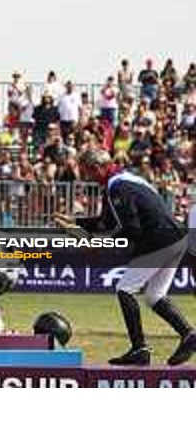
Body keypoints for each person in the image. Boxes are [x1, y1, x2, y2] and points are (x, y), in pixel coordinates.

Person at [69, 149, 196, 366]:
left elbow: (132, 230)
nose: (87, 178)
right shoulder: (127, 179)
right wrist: (77, 222)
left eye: (87, 173)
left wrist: (102, 244)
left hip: (159, 238)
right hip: (176, 237)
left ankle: (140, 349)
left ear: (98, 168)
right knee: (154, 296)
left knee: (125, 288)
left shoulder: (116, 187)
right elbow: (107, 223)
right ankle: (189, 335)